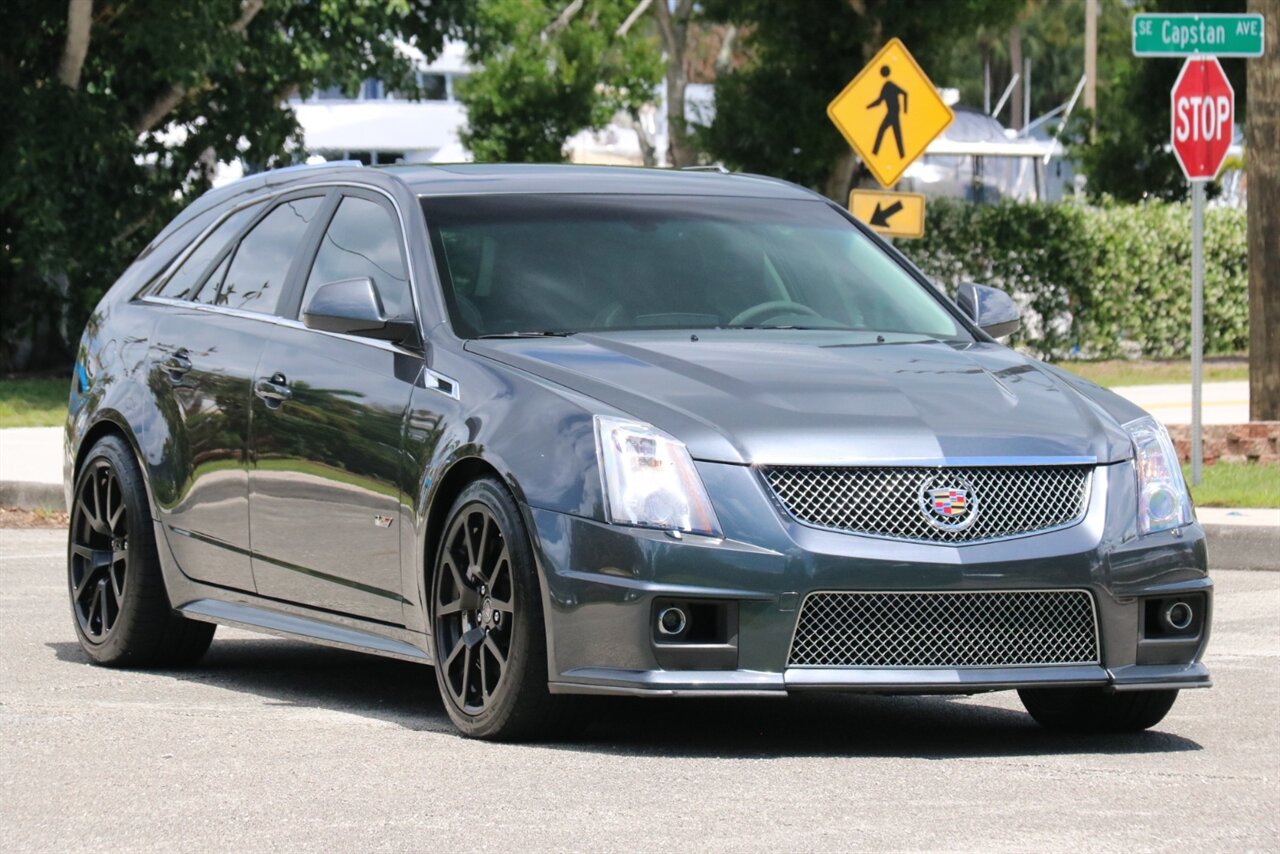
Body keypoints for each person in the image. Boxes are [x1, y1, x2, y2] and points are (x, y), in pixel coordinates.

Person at [868, 65, 907, 159]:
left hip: (893, 113)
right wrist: (868, 107)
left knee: (883, 131)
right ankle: (901, 155)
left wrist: (905, 110)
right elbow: (879, 101)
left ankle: (875, 153)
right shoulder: (885, 86)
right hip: (892, 113)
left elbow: (905, 93)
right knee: (896, 134)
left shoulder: (890, 85)